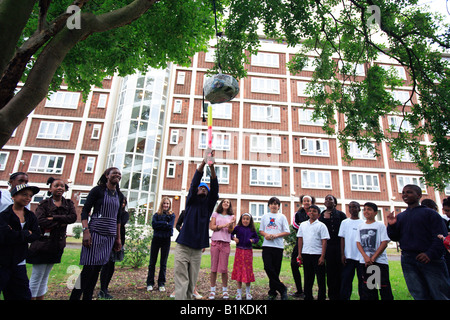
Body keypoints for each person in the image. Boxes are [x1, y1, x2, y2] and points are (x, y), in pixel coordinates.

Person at [70, 167, 125, 300]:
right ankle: (74, 297)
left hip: (110, 236)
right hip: (95, 233)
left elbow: (118, 219)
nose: (117, 175)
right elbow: (85, 212)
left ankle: (87, 297)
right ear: (107, 175)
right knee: (88, 269)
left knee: (97, 270)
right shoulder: (97, 190)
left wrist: (118, 239)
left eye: (119, 173)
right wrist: (86, 231)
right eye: (114, 173)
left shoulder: (120, 195)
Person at [387, 184, 450, 300]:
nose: (405, 195)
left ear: (419, 195)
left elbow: (441, 237)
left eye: (409, 192)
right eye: (403, 192)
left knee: (440, 293)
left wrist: (429, 254)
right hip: (408, 259)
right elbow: (395, 237)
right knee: (418, 293)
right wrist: (391, 226)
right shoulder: (400, 217)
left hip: (430, 260)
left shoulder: (431, 214)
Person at [174, 151, 219, 300]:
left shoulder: (208, 205)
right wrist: (203, 162)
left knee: (191, 282)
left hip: (197, 249)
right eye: (200, 187)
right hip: (183, 245)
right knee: (181, 279)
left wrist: (211, 166)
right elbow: (195, 181)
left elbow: (215, 188)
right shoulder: (191, 201)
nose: (202, 189)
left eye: (205, 188)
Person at [27, 177, 77, 300]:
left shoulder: (68, 203)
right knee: (37, 276)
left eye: (62, 186)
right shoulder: (44, 204)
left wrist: (54, 218)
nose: (59, 188)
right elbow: (41, 221)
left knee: (45, 276)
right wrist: (62, 222)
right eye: (56, 186)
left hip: (56, 245)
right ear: (50, 188)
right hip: (42, 245)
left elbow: (73, 218)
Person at [0, 183, 40, 300]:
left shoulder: (30, 216)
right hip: (3, 263)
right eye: (24, 194)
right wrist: (26, 233)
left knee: (22, 295)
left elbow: (36, 234)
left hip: (19, 261)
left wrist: (16, 234)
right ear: (13, 196)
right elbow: (5, 236)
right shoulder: (4, 216)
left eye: (30, 196)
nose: (28, 198)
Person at [356, 202, 393, 300]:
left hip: (379, 262)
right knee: (369, 288)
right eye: (365, 209)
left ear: (376, 212)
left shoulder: (380, 226)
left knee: (383, 287)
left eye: (369, 209)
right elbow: (358, 243)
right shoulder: (360, 226)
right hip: (365, 262)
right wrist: (366, 257)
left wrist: (373, 258)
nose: (366, 211)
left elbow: (384, 242)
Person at [259, 196, 290, 300]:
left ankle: (272, 292)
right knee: (268, 267)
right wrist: (266, 235)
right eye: (272, 203)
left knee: (276, 270)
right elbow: (261, 230)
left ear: (279, 206)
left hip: (278, 246)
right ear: (269, 206)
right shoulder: (265, 216)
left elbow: (287, 231)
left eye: (276, 204)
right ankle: (282, 289)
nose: (274, 205)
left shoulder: (282, 217)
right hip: (267, 246)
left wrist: (276, 235)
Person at [297, 204, 330, 301]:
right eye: (310, 211)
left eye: (314, 211)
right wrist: (299, 254)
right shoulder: (303, 225)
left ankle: (321, 297)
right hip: (306, 254)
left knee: (320, 278)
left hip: (318, 255)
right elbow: (300, 239)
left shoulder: (321, 226)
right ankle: (308, 296)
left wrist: (322, 256)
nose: (312, 213)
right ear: (307, 213)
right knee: (308, 278)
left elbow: (324, 241)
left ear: (318, 215)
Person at [98, 197, 129, 299]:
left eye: (124, 203)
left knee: (111, 265)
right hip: (107, 239)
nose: (123, 204)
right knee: (105, 265)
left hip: (118, 241)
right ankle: (102, 289)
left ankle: (105, 287)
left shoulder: (124, 214)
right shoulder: (111, 212)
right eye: (121, 202)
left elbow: (121, 223)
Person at [319, 194, 346, 300]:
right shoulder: (321, 215)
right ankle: (331, 295)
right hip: (327, 247)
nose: (328, 201)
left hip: (339, 246)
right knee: (330, 272)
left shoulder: (341, 215)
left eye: (330, 199)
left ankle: (340, 295)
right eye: (326, 199)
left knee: (339, 271)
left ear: (335, 202)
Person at [146, 197, 175, 293]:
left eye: (168, 204)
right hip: (156, 239)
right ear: (161, 204)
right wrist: (164, 223)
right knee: (152, 262)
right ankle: (150, 283)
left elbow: (170, 226)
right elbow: (154, 225)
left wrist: (161, 225)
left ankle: (161, 283)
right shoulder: (156, 215)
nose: (166, 205)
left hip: (166, 240)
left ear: (169, 205)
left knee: (163, 263)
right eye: (164, 203)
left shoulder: (172, 215)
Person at [209, 199, 235, 299]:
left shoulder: (232, 216)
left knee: (224, 269)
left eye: (228, 202)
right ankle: (212, 290)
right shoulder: (215, 214)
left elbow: (230, 231)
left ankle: (225, 291)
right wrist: (224, 225)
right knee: (213, 268)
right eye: (224, 202)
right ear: (221, 204)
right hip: (215, 242)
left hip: (225, 243)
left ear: (229, 205)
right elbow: (212, 227)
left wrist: (231, 225)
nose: (226, 203)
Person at [290, 195, 315, 298]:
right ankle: (299, 290)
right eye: (304, 201)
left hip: (311, 243)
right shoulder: (298, 213)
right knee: (293, 264)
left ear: (311, 202)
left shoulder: (315, 212)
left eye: (308, 201)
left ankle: (307, 291)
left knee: (308, 268)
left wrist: (306, 228)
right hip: (300, 241)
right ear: (302, 202)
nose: (306, 202)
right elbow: (294, 225)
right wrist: (305, 228)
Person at [338, 201, 363, 300]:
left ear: (359, 209)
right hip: (348, 257)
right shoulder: (344, 222)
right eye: (350, 207)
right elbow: (342, 238)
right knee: (346, 282)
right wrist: (342, 254)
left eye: (355, 207)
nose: (352, 209)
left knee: (363, 282)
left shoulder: (363, 223)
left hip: (361, 258)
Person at [231, 213, 259, 300]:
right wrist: (234, 238)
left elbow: (257, 239)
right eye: (244, 219)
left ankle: (248, 292)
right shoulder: (238, 228)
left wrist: (252, 240)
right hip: (239, 251)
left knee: (247, 271)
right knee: (239, 270)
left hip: (248, 252)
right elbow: (230, 234)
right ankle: (239, 293)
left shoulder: (252, 229)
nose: (245, 220)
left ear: (250, 221)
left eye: (247, 219)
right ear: (241, 220)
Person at [440, 197, 450, 273]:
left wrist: (444, 238)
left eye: (448, 211)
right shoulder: (447, 222)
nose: (445, 213)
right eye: (444, 210)